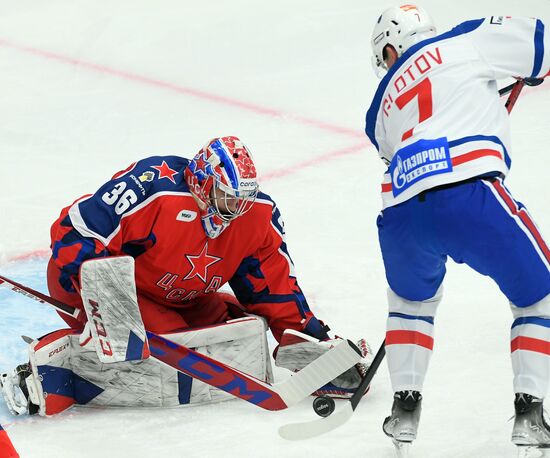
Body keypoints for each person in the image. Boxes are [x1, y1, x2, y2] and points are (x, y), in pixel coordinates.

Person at [0, 136, 370, 416]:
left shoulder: (257, 216)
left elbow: (272, 285)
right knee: (160, 347)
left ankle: (133, 343)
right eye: (228, 198)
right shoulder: (152, 187)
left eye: (243, 198)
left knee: (242, 328)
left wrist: (309, 339)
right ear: (203, 184)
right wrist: (108, 304)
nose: (236, 210)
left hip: (185, 295)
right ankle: (54, 368)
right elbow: (75, 230)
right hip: (97, 285)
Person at [366, 5, 550, 455]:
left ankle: (404, 408)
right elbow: (540, 49)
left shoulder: (377, 112)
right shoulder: (468, 39)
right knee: (538, 295)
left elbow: (422, 123)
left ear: (390, 50)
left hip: (402, 213)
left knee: (412, 303)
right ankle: (530, 414)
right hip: (469, 195)